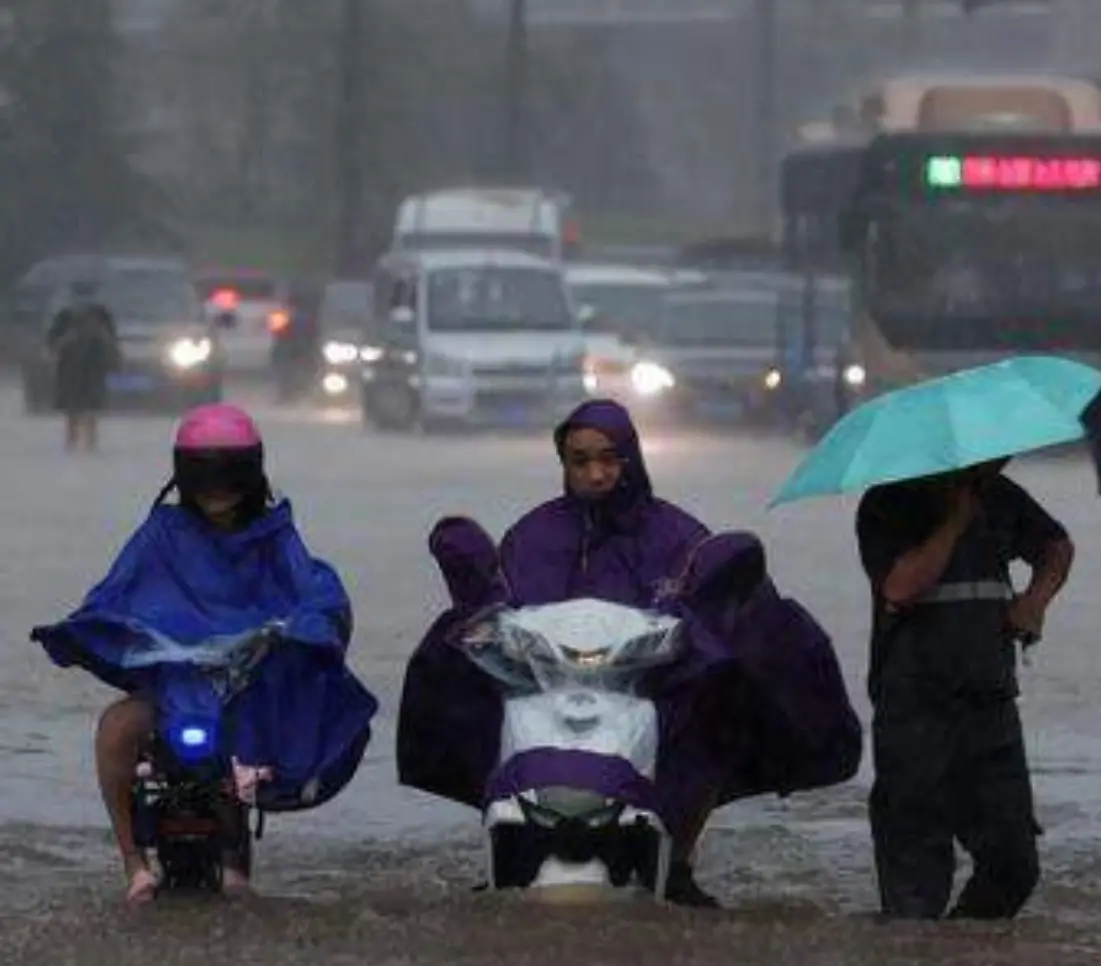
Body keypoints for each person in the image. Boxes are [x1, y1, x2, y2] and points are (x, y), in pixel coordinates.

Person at [397, 398, 861, 907]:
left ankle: (677, 856)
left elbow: (714, 599)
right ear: (564, 464)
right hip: (545, 688)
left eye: (608, 458)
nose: (595, 473)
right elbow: (498, 606)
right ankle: (507, 839)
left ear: (630, 458)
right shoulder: (532, 537)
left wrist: (690, 641)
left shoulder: (675, 535)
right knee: (468, 691)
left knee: (713, 710)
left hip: (652, 691)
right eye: (580, 461)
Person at [32, 404, 378, 904]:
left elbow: (315, 592)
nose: (217, 494)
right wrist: (82, 627)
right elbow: (114, 590)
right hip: (173, 689)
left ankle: (237, 861)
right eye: (206, 479)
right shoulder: (161, 534)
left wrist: (307, 626)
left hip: (244, 693)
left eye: (228, 479)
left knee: (246, 752)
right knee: (114, 731)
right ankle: (134, 862)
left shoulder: (276, 536)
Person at [855, 459, 1074, 920]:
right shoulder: (887, 502)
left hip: (990, 702)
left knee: (1014, 865)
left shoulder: (1000, 494)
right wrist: (954, 519)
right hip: (914, 708)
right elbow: (901, 587)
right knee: (915, 886)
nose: (1004, 459)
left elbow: (1057, 546)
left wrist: (1034, 603)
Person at [46, 279, 120, 453]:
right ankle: (71, 443)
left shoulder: (102, 315)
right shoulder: (64, 316)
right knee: (72, 408)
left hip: (94, 367)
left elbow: (112, 340)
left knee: (92, 407)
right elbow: (52, 343)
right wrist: (68, 339)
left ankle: (91, 444)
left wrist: (100, 337)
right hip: (70, 367)